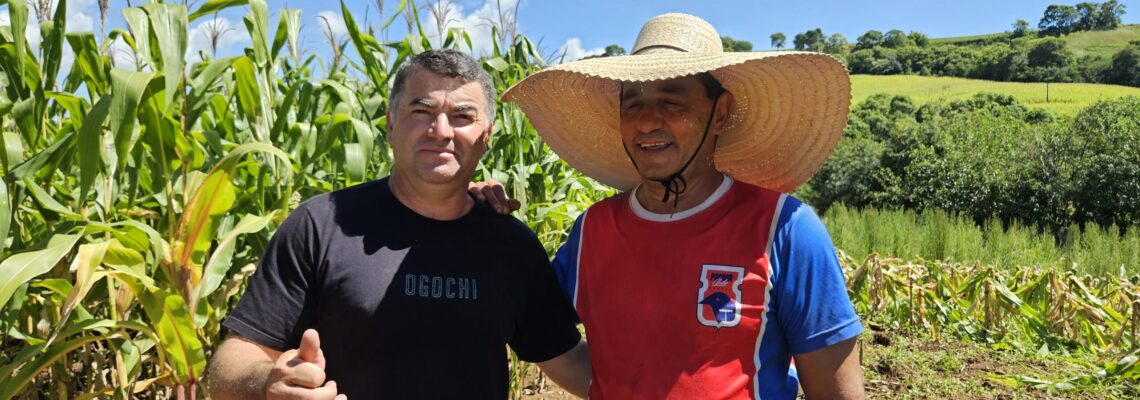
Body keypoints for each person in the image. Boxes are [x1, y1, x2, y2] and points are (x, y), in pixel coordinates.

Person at [473, 13, 865, 399]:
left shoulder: (784, 229)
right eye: (633, 104)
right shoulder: (594, 230)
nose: (647, 123)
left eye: (672, 102)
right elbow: (536, 324)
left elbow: (837, 392)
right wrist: (475, 217)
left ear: (720, 114)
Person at [207, 49, 591, 400]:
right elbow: (231, 363)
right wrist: (267, 383)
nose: (441, 131)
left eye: (462, 116)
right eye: (421, 112)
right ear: (390, 125)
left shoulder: (511, 246)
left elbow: (569, 360)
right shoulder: (321, 225)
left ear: (486, 137)